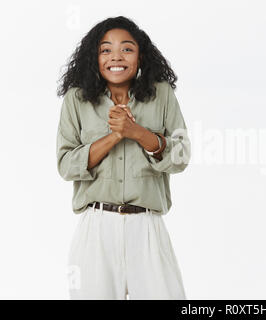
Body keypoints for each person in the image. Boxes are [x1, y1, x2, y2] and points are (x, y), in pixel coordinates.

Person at [56, 16, 191, 300]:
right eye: (106, 50)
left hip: (148, 227)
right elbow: (66, 165)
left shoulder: (162, 94)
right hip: (96, 229)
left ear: (141, 55)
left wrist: (137, 132)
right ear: (95, 56)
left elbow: (181, 155)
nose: (116, 56)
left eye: (127, 49)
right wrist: (114, 136)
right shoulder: (76, 99)